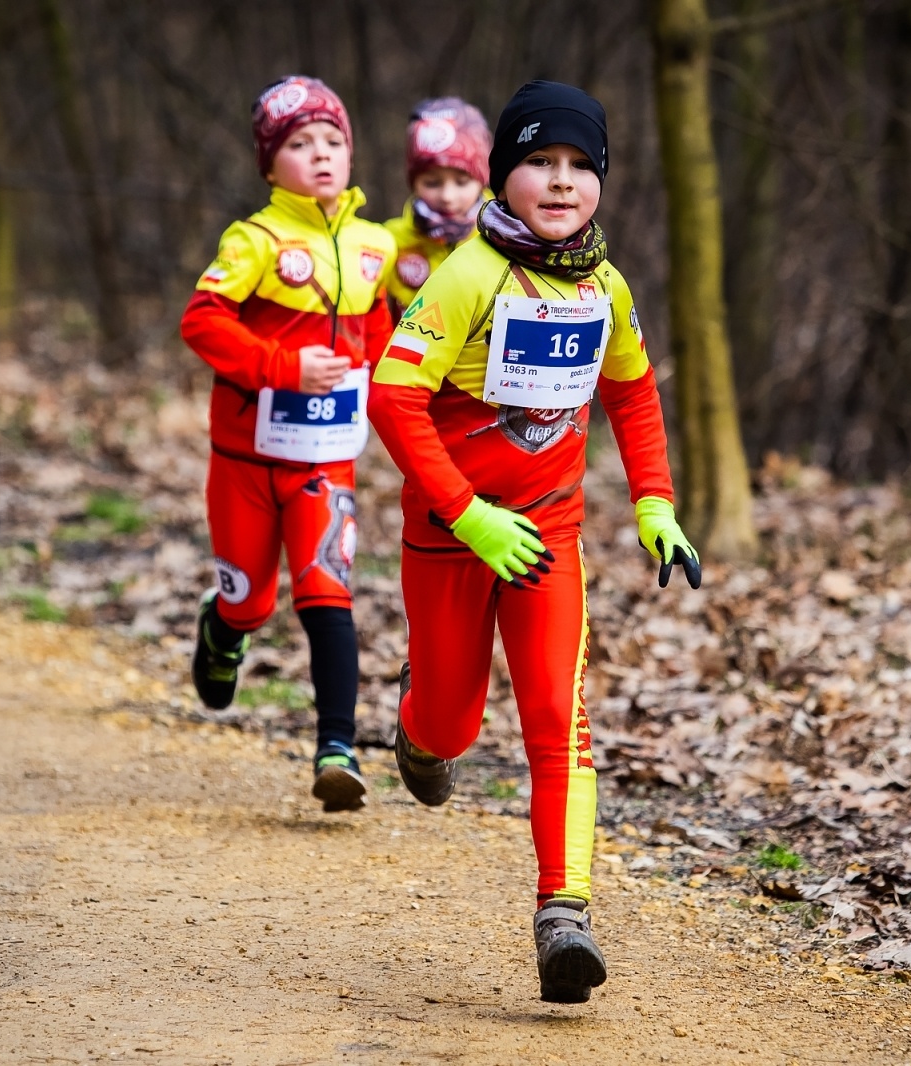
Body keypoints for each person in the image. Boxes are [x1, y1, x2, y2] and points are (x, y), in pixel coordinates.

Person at [368, 80, 701, 1003]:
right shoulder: (470, 274)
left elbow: (631, 392)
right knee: (452, 721)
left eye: (578, 167)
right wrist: (468, 513)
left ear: (601, 182)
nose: (559, 183)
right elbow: (393, 398)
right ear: (502, 175)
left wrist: (655, 507)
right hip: (452, 535)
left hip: (550, 533)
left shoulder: (606, 284)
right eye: (537, 163)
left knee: (561, 715)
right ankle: (418, 728)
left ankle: (566, 914)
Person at [179, 75, 395, 813]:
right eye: (300, 145)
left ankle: (337, 747)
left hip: (325, 460)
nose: (322, 155)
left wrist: (405, 410)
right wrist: (283, 366)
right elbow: (201, 323)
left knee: (327, 590)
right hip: (244, 460)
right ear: (271, 166)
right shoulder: (255, 241)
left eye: (333, 140)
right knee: (252, 601)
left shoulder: (375, 248)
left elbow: (390, 345)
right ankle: (223, 628)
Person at [382, 98, 490, 311]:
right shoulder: (390, 241)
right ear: (413, 182)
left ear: (482, 179)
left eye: (462, 182)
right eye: (432, 183)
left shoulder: (506, 240)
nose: (447, 196)